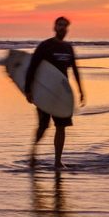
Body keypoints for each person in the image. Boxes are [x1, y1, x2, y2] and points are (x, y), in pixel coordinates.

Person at [26, 16, 84, 170]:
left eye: (65, 25)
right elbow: (32, 67)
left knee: (61, 127)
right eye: (60, 25)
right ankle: (33, 152)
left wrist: (80, 90)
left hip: (61, 94)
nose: (62, 28)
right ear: (54, 27)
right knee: (44, 126)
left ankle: (58, 161)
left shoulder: (68, 48)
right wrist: (28, 90)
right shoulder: (45, 46)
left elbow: (75, 70)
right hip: (45, 93)